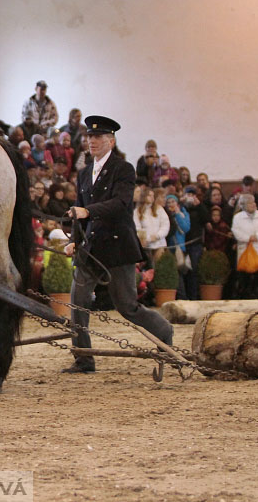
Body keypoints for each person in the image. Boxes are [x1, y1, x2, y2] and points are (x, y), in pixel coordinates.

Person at [62, 115, 173, 373]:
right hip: (90, 247)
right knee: (77, 302)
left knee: (127, 306)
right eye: (90, 137)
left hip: (117, 246)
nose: (92, 141)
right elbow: (80, 211)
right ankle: (83, 358)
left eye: (98, 137)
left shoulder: (123, 169)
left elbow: (120, 204)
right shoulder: (84, 173)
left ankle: (164, 330)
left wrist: (87, 212)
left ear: (111, 141)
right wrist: (75, 241)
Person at [231, 193, 258, 299]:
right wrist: (248, 238)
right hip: (245, 249)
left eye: (253, 202)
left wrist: (257, 236)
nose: (253, 204)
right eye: (249, 203)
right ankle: (245, 295)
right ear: (243, 205)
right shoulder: (237, 217)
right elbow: (236, 231)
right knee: (245, 277)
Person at [133, 185, 169, 264]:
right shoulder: (137, 211)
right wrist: (146, 239)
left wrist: (157, 236)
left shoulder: (159, 209)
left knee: (159, 265)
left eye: (153, 196)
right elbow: (137, 227)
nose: (152, 198)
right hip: (145, 245)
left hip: (159, 243)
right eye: (149, 195)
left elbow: (165, 225)